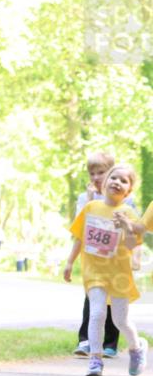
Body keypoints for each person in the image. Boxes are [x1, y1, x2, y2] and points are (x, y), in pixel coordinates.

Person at [63, 164, 147, 376]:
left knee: (121, 320)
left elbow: (131, 245)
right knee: (97, 313)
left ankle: (137, 348)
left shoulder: (128, 213)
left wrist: (127, 227)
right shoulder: (91, 207)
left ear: (128, 191)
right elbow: (79, 238)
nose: (117, 182)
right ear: (105, 182)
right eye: (114, 177)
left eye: (124, 181)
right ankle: (95, 360)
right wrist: (70, 262)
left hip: (119, 274)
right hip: (94, 272)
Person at [70, 152, 135, 358]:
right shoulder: (86, 199)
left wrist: (135, 256)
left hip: (115, 263)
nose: (96, 177)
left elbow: (133, 233)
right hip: (93, 261)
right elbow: (79, 228)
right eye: (92, 174)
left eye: (101, 173)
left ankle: (111, 343)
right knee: (93, 303)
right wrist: (70, 261)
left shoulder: (125, 201)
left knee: (116, 310)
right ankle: (87, 343)